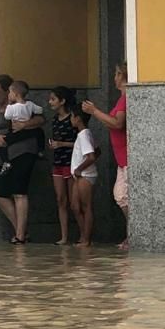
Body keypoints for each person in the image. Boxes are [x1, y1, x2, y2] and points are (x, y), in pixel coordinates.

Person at [0, 75, 45, 245]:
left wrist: (25, 125)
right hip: (3, 156)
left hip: (21, 151)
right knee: (0, 192)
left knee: (19, 191)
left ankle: (19, 235)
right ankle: (22, 231)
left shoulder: (22, 105)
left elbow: (41, 119)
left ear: (9, 91)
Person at [83, 62, 128, 250]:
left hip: (127, 157)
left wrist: (95, 112)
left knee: (122, 196)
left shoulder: (126, 99)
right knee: (121, 196)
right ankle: (131, 233)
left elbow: (117, 123)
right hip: (121, 158)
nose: (114, 78)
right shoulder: (120, 99)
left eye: (118, 74)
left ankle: (133, 233)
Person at [47, 86, 77, 245]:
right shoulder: (54, 120)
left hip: (70, 162)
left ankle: (82, 234)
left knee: (74, 201)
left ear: (62, 101)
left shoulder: (73, 118)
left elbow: (81, 143)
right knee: (60, 199)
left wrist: (62, 144)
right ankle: (64, 236)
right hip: (58, 162)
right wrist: (54, 145)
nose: (50, 102)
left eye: (53, 99)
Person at [0, 80, 44, 174]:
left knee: (2, 143)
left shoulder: (12, 107)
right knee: (39, 132)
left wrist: (9, 105)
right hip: (29, 130)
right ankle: (40, 150)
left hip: (16, 131)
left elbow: (7, 116)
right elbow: (40, 110)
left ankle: (6, 162)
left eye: (10, 92)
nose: (9, 95)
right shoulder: (30, 104)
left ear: (15, 94)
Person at [70, 105, 98, 248]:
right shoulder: (84, 134)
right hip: (80, 175)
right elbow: (97, 151)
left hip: (85, 175)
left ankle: (87, 239)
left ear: (78, 119)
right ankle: (83, 235)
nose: (71, 119)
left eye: (72, 116)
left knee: (86, 207)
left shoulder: (84, 135)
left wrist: (79, 169)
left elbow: (91, 156)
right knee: (75, 206)